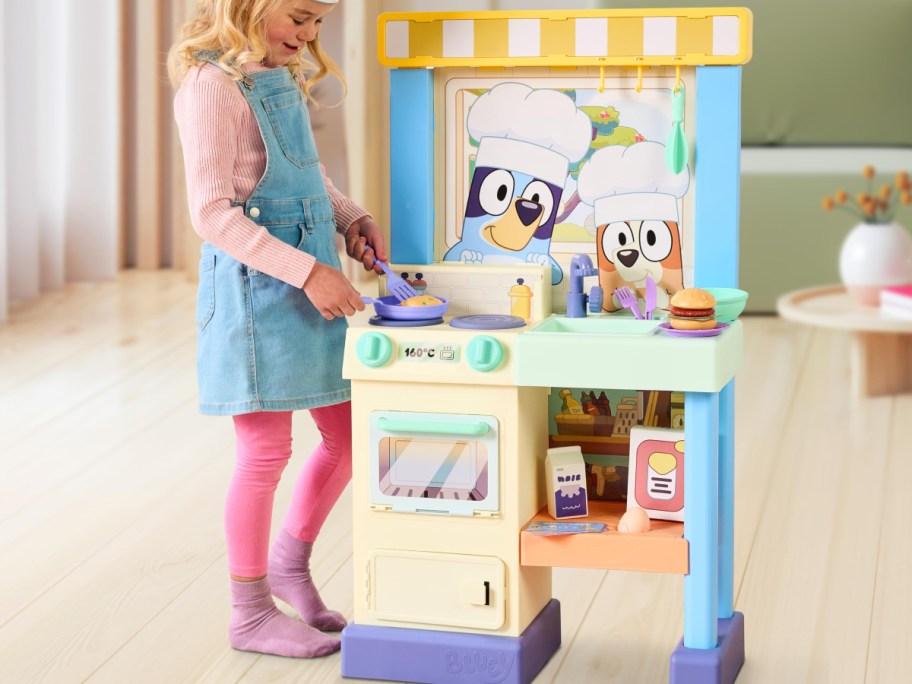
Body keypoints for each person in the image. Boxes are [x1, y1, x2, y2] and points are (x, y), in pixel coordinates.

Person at [168, 0, 385, 659]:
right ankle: (250, 611)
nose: (310, 35)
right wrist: (307, 272)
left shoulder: (276, 77)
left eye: (320, 22)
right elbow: (212, 213)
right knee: (264, 453)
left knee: (346, 439)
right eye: (299, 16)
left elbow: (304, 176)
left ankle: (290, 563)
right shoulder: (210, 88)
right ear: (248, 6)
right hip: (258, 295)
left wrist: (350, 220)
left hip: (309, 282)